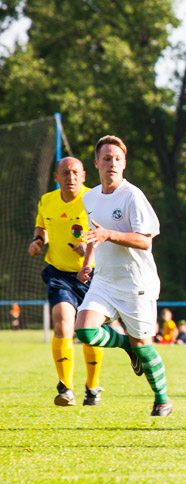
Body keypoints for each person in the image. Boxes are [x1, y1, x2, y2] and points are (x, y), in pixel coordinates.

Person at [73, 135, 172, 417]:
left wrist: (109, 234)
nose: (112, 163)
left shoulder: (132, 196)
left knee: (144, 345)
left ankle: (162, 400)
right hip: (104, 279)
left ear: (124, 163)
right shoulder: (89, 197)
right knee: (85, 330)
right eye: (107, 158)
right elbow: (94, 233)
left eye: (118, 159)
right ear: (96, 163)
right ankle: (127, 345)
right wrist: (87, 263)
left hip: (135, 282)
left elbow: (145, 241)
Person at [28, 157, 105, 406]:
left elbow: (105, 234)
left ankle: (92, 387)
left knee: (90, 332)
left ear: (83, 176)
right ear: (56, 177)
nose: (70, 177)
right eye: (65, 173)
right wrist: (38, 241)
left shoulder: (94, 199)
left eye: (75, 173)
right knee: (62, 323)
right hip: (59, 274)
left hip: (92, 275)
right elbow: (42, 226)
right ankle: (65, 388)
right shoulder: (47, 200)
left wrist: (89, 248)